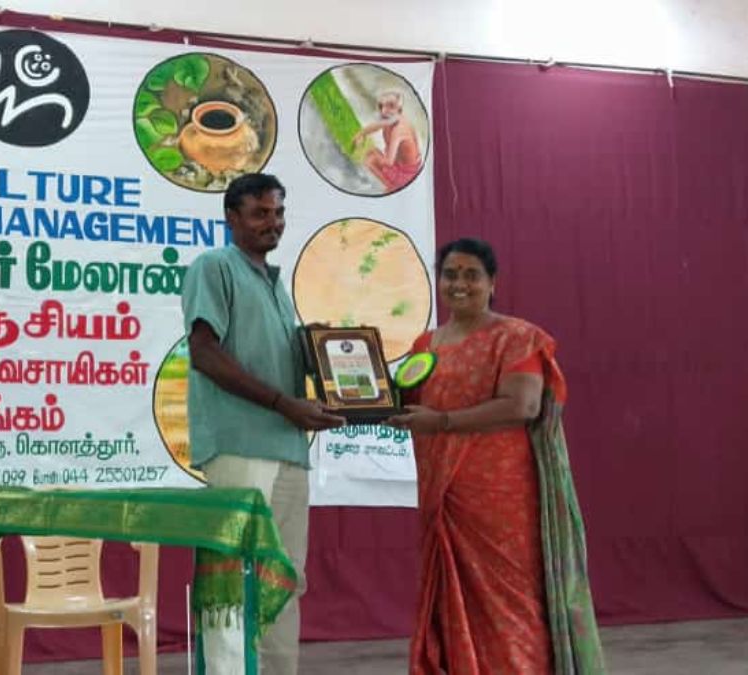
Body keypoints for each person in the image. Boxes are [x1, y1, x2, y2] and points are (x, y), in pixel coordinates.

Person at [387, 238, 604, 674]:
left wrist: (442, 422)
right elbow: (405, 402)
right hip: (444, 498)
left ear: (492, 283)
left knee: (510, 602)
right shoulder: (425, 344)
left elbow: (522, 405)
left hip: (499, 503)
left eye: (472, 275)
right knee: (453, 603)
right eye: (450, 274)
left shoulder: (516, 337)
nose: (459, 284)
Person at [183, 172, 342, 675]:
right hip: (239, 446)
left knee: (283, 577)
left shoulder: (276, 284)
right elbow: (205, 353)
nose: (272, 223)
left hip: (289, 447)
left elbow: (272, 358)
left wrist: (316, 350)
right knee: (233, 576)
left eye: (277, 213)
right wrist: (281, 402)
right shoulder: (214, 266)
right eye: (259, 214)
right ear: (232, 218)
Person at [352, 90, 423, 192]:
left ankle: (392, 187)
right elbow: (376, 126)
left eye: (391, 106)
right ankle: (392, 186)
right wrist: (361, 134)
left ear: (400, 110)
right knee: (372, 153)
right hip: (401, 166)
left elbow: (389, 162)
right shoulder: (392, 119)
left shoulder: (399, 130)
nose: (384, 110)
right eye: (381, 106)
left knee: (370, 159)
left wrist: (372, 154)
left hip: (407, 174)